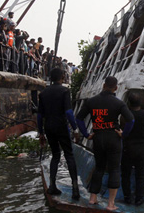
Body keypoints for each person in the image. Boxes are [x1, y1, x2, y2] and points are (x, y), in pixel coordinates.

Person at [76, 76, 134, 211]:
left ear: (103, 86)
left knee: (99, 168)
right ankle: (111, 204)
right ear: (116, 88)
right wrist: (124, 134)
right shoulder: (118, 103)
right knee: (114, 169)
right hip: (113, 138)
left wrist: (86, 134)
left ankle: (92, 198)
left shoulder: (91, 101)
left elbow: (79, 118)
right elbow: (131, 120)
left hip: (98, 137)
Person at [37, 68, 90, 200]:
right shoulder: (65, 91)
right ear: (61, 77)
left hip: (48, 127)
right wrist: (75, 129)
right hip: (61, 126)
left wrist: (41, 133)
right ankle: (75, 189)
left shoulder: (43, 93)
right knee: (69, 155)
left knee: (55, 155)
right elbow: (68, 112)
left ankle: (52, 186)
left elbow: (39, 115)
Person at [121, 92, 144, 206]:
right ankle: (139, 199)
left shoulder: (125, 115)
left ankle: (127, 197)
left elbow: (123, 130)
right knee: (140, 175)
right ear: (141, 102)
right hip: (142, 149)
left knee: (125, 174)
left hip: (128, 148)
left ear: (129, 103)